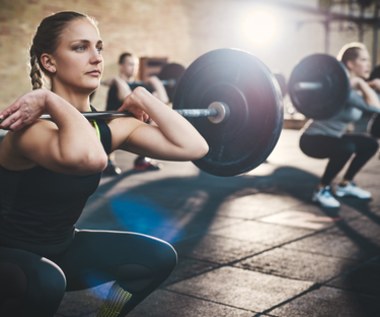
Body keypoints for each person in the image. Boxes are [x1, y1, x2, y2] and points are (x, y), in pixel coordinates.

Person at [0, 11, 208, 317]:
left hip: (61, 248)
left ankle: (106, 316)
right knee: (46, 282)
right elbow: (91, 157)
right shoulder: (31, 132)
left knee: (156, 258)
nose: (96, 58)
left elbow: (194, 146)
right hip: (9, 258)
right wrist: (49, 99)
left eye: (99, 47)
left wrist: (144, 97)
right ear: (49, 62)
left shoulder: (105, 127)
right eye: (80, 47)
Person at [299, 42, 380, 208]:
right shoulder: (344, 90)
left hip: (333, 137)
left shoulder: (350, 88)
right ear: (351, 64)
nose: (368, 65)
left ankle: (345, 184)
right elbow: (376, 107)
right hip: (312, 139)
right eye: (363, 60)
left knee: (370, 144)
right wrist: (363, 84)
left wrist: (365, 86)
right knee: (346, 146)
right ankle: (321, 189)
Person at [103, 52, 170, 175]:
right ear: (121, 66)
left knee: (154, 118)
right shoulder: (116, 84)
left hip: (134, 124)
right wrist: (117, 80)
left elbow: (163, 100)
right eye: (130, 64)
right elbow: (127, 96)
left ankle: (142, 159)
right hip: (114, 124)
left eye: (136, 65)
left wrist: (156, 82)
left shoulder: (140, 85)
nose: (134, 68)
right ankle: (107, 161)